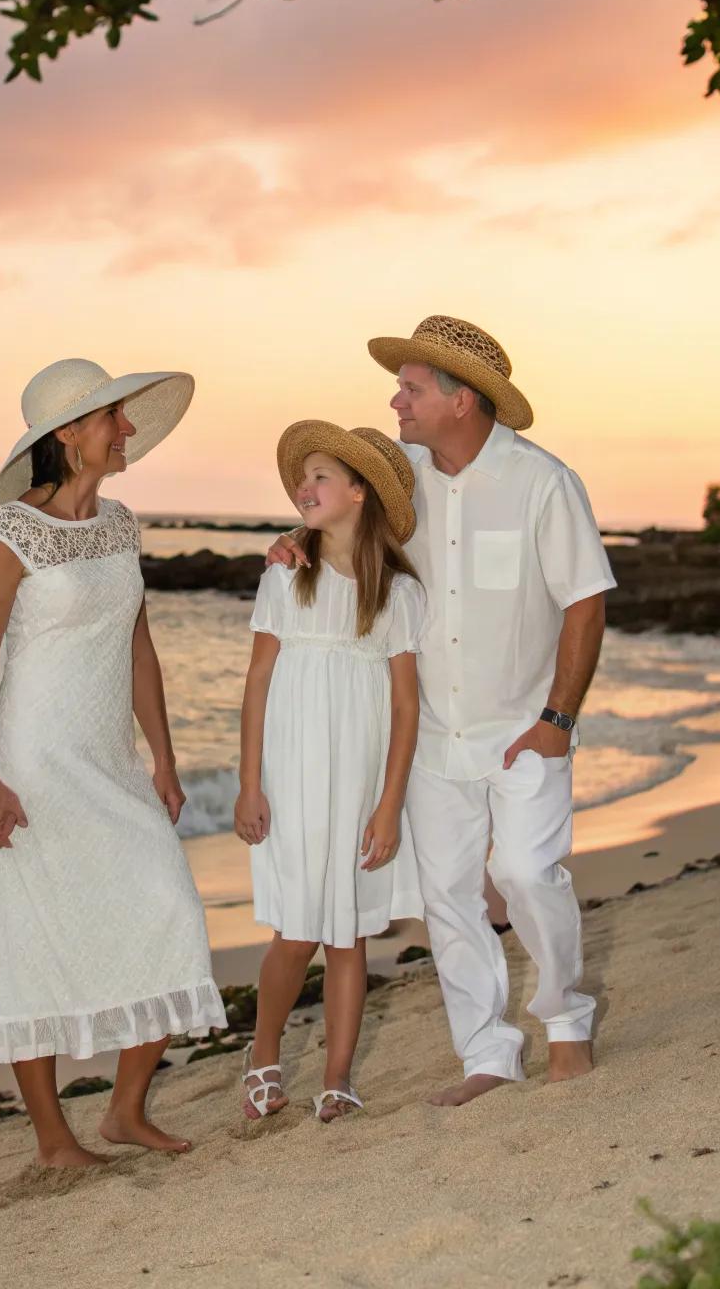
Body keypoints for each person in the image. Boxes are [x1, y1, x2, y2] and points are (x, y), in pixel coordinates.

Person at [268, 315, 616, 1105]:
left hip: (526, 728)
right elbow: (346, 527)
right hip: (426, 734)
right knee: (447, 897)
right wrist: (296, 538)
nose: (396, 401)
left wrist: (557, 721)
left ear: (464, 400)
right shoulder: (403, 481)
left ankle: (565, 1021)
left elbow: (586, 603)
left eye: (412, 389)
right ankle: (486, 1054)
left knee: (526, 873)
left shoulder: (543, 482)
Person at [0, 357, 226, 1167]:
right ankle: (51, 1140)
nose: (127, 431)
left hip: (109, 755)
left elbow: (137, 642)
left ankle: (124, 1111)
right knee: (35, 936)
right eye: (113, 418)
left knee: (169, 906)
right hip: (35, 758)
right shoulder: (7, 537)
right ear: (68, 434)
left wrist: (165, 758)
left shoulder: (120, 523)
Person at [236, 422, 425, 1122]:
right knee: (297, 930)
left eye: (320, 477)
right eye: (302, 477)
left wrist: (389, 805)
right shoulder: (287, 575)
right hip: (291, 775)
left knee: (349, 933)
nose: (303, 488)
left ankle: (339, 1075)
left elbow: (405, 708)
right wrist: (249, 782)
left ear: (359, 492)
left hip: (360, 781)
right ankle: (263, 1052)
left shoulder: (398, 594)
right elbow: (257, 682)